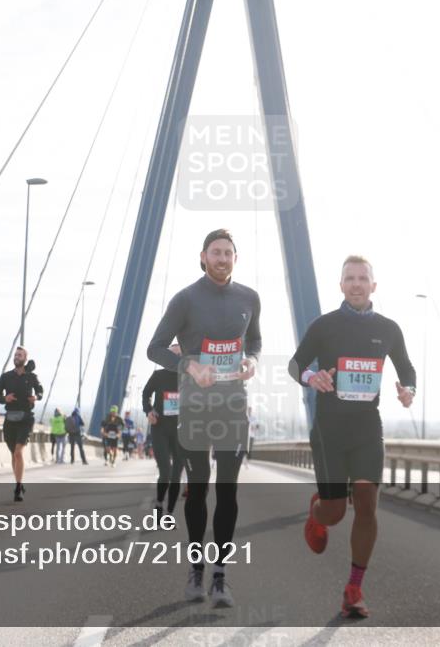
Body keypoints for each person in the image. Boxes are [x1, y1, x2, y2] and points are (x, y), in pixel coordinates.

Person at [288, 255, 416, 619]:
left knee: (366, 502)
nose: (356, 284)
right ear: (341, 285)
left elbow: (407, 369)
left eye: (363, 278)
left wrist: (408, 390)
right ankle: (317, 512)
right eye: (350, 278)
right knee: (334, 513)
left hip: (366, 429)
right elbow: (296, 363)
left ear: (373, 285)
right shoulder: (324, 325)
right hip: (329, 430)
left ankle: (354, 588)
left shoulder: (389, 329)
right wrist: (312, 377)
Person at [147, 228, 261, 608]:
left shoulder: (249, 298)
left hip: (233, 405)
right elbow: (154, 348)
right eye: (215, 252)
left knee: (228, 491)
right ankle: (196, 569)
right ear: (203, 256)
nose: (222, 258)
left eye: (228, 252)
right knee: (198, 489)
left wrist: (252, 360)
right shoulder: (186, 299)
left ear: (235, 258)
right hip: (194, 406)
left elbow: (256, 340)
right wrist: (189, 365)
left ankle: (221, 577)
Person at [0, 346, 44, 502]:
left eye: (19, 355)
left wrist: (36, 396)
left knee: (18, 452)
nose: (16, 357)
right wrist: (4, 398)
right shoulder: (6, 377)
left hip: (26, 418)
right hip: (10, 419)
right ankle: (19, 483)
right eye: (15, 355)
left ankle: (17, 487)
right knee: (13, 454)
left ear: (25, 358)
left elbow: (40, 390)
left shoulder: (32, 377)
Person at [142, 344, 185, 517]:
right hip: (160, 428)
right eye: (172, 355)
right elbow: (146, 393)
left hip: (182, 432)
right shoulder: (158, 376)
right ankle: (159, 503)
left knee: (176, 476)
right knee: (165, 472)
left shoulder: (190, 376)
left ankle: (169, 513)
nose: (175, 358)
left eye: (179, 355)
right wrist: (148, 410)